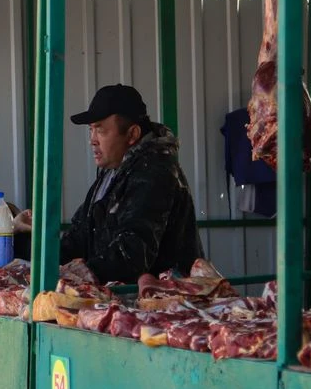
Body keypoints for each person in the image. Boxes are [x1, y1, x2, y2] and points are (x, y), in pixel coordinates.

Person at [37, 85, 203, 285]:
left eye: (100, 130)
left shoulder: (155, 172)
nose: (92, 140)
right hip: (119, 297)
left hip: (162, 299)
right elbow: (79, 237)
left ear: (132, 134)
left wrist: (80, 274)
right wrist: (37, 259)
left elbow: (132, 253)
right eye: (91, 130)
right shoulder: (111, 172)